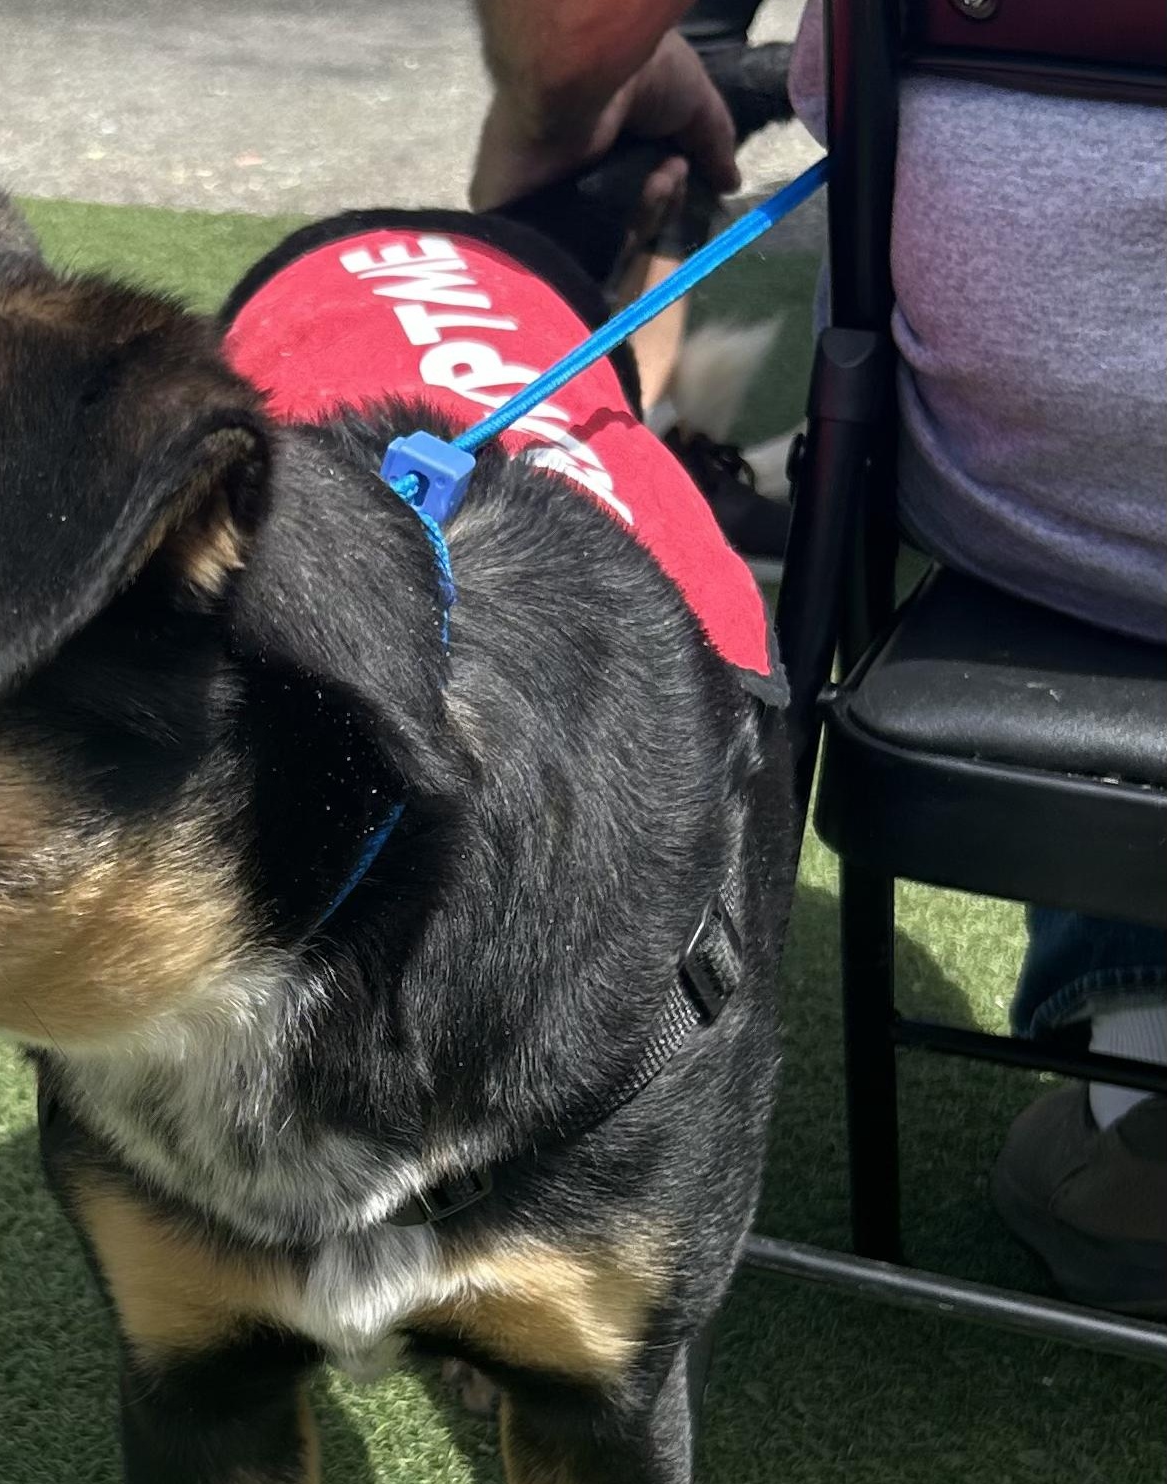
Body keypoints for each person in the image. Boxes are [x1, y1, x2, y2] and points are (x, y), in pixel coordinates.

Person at [471, 0, 1167, 1319]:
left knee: (778, 256)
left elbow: (571, 33)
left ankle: (1138, 1081)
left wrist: (548, 120)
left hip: (1018, 486)